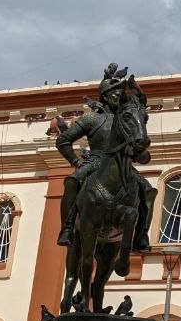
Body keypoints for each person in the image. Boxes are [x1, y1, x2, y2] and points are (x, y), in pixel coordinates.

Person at [56, 64, 156, 251]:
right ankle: (67, 227)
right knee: (71, 181)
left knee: (149, 191)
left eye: (120, 92)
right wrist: (76, 162)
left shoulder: (127, 117)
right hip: (95, 161)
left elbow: (138, 145)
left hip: (122, 165)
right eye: (114, 92)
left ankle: (141, 234)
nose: (119, 95)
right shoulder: (92, 118)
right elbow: (63, 140)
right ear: (105, 96)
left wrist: (140, 151)